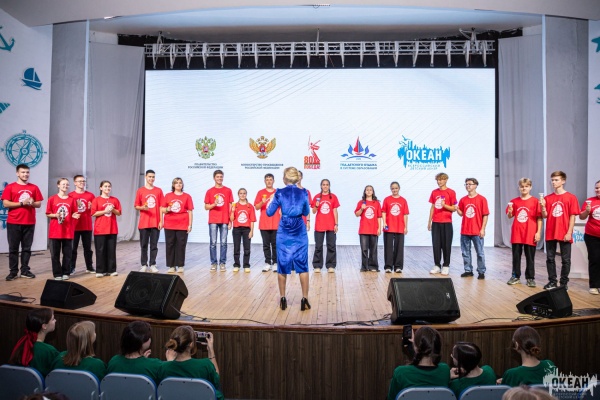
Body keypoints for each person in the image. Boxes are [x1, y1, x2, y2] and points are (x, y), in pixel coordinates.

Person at [266, 167, 311, 310]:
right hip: (299, 230)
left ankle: (283, 298)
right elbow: (306, 211)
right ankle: (304, 299)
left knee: (282, 264)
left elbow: (269, 212)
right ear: (297, 178)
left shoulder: (279, 192)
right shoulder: (303, 192)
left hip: (284, 230)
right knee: (302, 264)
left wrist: (271, 201)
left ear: (285, 178)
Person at [157, 326, 223, 400]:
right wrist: (211, 350)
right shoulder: (205, 365)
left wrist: (169, 362)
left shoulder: (163, 367)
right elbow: (216, 380)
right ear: (191, 344)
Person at [2, 163, 43, 281]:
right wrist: (22, 203)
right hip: (14, 222)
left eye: (27, 172)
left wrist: (32, 202)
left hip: (29, 222)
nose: (25, 174)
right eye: (23, 172)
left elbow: (38, 204)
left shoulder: (34, 187)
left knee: (26, 248)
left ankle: (25, 270)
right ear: (17, 173)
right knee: (13, 248)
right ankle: (13, 272)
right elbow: (5, 203)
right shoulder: (10, 187)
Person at [386, 326, 450, 400]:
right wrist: (415, 347)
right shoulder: (445, 370)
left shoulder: (401, 373)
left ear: (416, 347)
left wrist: (414, 348)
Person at [541, 171, 580, 290]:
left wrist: (569, 232)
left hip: (564, 232)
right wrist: (543, 207)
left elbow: (572, 217)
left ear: (563, 181)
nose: (553, 182)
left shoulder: (571, 197)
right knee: (550, 258)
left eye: (556, 180)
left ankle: (563, 283)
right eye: (552, 180)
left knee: (565, 260)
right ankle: (552, 281)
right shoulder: (547, 198)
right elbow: (545, 216)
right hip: (551, 231)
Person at [506, 178, 542, 287]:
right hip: (517, 233)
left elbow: (539, 218)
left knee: (530, 257)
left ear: (530, 187)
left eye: (526, 186)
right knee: (516, 256)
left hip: (530, 232)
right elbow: (509, 216)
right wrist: (510, 212)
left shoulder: (535, 201)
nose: (524, 188)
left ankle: (530, 278)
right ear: (519, 188)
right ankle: (515, 276)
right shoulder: (514, 201)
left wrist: (538, 232)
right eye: (522, 186)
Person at [9, 307, 58, 377]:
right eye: (53, 319)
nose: (55, 320)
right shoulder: (49, 351)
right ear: (44, 326)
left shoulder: (21, 344)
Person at [46, 178, 80, 280]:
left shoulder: (72, 200)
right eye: (63, 184)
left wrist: (75, 216)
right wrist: (56, 215)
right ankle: (57, 274)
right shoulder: (52, 199)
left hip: (68, 231)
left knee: (67, 254)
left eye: (67, 184)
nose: (65, 186)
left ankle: (66, 272)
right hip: (55, 231)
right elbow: (48, 213)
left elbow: (75, 213)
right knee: (54, 254)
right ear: (58, 185)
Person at [457, 178, 489, 280]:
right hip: (465, 230)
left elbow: (485, 215)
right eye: (466, 184)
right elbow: (462, 214)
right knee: (465, 252)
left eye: (470, 184)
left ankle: (481, 271)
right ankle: (468, 270)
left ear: (475, 185)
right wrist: (457, 209)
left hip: (477, 231)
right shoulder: (463, 199)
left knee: (480, 252)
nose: (468, 186)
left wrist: (483, 229)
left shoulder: (482, 199)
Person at [161, 177, 194, 273]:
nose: (178, 184)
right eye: (176, 183)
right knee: (170, 244)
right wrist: (167, 209)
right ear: (173, 185)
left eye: (180, 183)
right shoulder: (168, 195)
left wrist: (190, 225)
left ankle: (180, 265)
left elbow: (190, 211)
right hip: (169, 224)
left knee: (181, 245)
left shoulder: (187, 196)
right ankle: (171, 265)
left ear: (182, 185)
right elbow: (162, 209)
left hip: (182, 224)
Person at [428, 172, 457, 276]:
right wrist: (429, 221)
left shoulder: (451, 192)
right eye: (438, 180)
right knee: (436, 245)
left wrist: (444, 205)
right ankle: (437, 265)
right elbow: (432, 207)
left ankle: (446, 266)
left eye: (441, 179)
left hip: (447, 222)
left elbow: (454, 208)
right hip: (436, 222)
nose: (439, 182)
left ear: (446, 180)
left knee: (446, 245)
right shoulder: (434, 192)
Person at [91, 180, 122, 278]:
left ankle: (111, 270)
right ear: (101, 188)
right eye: (105, 186)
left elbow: (119, 213)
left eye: (109, 186)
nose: (107, 188)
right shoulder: (96, 200)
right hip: (100, 229)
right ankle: (100, 270)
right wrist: (105, 211)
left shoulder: (115, 200)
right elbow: (93, 213)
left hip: (112, 229)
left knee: (111, 250)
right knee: (100, 250)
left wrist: (112, 209)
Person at [135, 169, 164, 273]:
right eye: (149, 177)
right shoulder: (140, 190)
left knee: (154, 245)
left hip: (155, 222)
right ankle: (143, 264)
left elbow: (161, 207)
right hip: (144, 223)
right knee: (143, 245)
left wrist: (161, 221)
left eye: (153, 177)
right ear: (146, 177)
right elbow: (136, 206)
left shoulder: (158, 190)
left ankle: (152, 264)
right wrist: (142, 207)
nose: (151, 178)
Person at [204, 170, 233, 271]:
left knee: (223, 242)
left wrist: (230, 220)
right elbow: (206, 207)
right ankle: (213, 263)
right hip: (213, 220)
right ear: (214, 178)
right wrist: (214, 204)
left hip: (224, 220)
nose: (219, 178)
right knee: (213, 242)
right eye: (217, 177)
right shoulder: (209, 191)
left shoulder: (228, 190)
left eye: (221, 176)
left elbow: (230, 206)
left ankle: (222, 263)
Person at [311, 179, 340, 273]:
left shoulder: (333, 197)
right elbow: (313, 212)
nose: (325, 186)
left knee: (331, 246)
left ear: (329, 186)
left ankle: (330, 265)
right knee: (318, 246)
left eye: (327, 184)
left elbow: (335, 211)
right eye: (323, 184)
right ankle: (317, 266)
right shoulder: (317, 197)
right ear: (321, 186)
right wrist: (316, 206)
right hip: (319, 225)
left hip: (331, 225)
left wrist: (336, 224)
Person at [69, 174, 96, 274]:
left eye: (83, 181)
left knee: (88, 248)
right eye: (80, 181)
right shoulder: (70, 195)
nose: (82, 183)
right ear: (75, 183)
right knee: (73, 248)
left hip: (86, 225)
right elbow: (67, 209)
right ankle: (71, 267)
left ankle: (89, 266)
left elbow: (95, 211)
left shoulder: (90, 195)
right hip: (74, 226)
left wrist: (91, 207)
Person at [254, 173, 280, 272]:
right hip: (264, 223)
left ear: (273, 181)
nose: (269, 181)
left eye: (270, 179)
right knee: (266, 245)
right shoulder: (260, 192)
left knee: (275, 244)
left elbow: (283, 206)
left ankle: (275, 263)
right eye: (267, 179)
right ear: (264, 181)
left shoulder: (278, 192)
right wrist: (263, 202)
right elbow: (257, 207)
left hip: (276, 223)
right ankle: (268, 262)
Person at [382, 181, 409, 273]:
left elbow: (405, 214)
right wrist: (384, 222)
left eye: (396, 188)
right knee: (388, 247)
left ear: (399, 188)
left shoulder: (403, 200)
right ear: (391, 189)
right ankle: (388, 266)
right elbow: (383, 212)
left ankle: (398, 266)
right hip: (389, 226)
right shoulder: (387, 199)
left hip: (399, 226)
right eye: (393, 188)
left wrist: (405, 227)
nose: (394, 190)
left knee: (399, 247)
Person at [354, 185, 382, 272]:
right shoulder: (361, 202)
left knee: (373, 249)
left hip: (374, 229)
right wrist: (361, 209)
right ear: (365, 192)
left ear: (373, 192)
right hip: (363, 229)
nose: (369, 191)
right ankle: (364, 267)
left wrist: (379, 228)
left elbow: (379, 216)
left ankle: (373, 266)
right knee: (364, 249)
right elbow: (357, 214)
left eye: (370, 190)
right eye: (367, 190)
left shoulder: (376, 203)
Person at [579, 179, 600, 295]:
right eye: (596, 188)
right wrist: (587, 211)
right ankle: (594, 285)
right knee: (594, 260)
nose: (598, 190)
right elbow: (582, 217)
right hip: (592, 236)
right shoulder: (590, 201)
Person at [231, 188, 256, 272]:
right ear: (238, 195)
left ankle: (246, 265)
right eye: (241, 193)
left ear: (246, 194)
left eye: (244, 193)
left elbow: (252, 220)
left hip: (246, 229)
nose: (242, 195)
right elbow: (231, 219)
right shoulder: (235, 205)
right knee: (236, 247)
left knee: (247, 248)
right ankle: (236, 265)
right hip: (236, 229)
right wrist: (232, 211)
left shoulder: (250, 206)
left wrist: (251, 231)